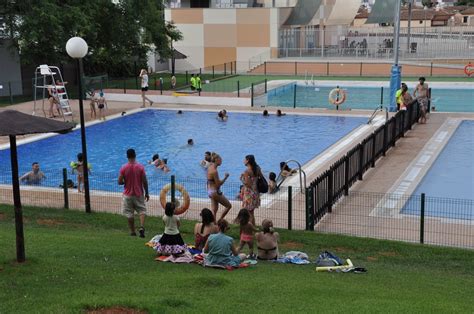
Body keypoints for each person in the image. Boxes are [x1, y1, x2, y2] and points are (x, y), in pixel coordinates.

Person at [118, 148, 149, 237]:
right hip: (138, 193)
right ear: (135, 155)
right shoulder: (140, 167)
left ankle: (132, 232)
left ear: (127, 156)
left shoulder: (123, 167)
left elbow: (119, 182)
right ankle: (142, 227)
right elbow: (144, 181)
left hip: (128, 194)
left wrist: (125, 182)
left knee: (129, 213)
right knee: (142, 211)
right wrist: (146, 192)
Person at [207, 152, 231, 221]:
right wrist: (225, 177)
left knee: (214, 210)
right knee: (228, 206)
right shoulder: (214, 171)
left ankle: (213, 224)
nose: (221, 161)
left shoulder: (210, 167)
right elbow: (218, 184)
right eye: (220, 159)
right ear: (216, 160)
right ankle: (219, 221)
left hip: (210, 191)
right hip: (215, 192)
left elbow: (209, 181)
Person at [240, 155, 261, 226]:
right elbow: (259, 177)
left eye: (244, 159)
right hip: (256, 192)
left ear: (248, 160)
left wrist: (242, 179)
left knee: (249, 213)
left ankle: (250, 228)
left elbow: (248, 184)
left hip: (249, 194)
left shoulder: (247, 171)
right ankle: (253, 227)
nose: (243, 161)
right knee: (252, 213)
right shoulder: (257, 168)